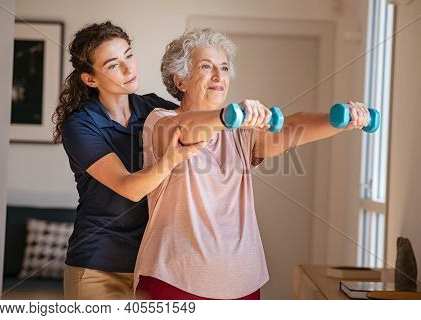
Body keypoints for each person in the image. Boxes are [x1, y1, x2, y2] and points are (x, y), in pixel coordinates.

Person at [133, 28, 371, 300]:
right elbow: (185, 130)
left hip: (242, 283)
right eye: (206, 66)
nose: (218, 76)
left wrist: (341, 120)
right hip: (174, 279)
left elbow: (292, 127)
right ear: (180, 81)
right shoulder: (160, 120)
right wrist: (230, 116)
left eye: (223, 68)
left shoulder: (239, 131)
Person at [53, 21, 204, 300]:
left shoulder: (154, 108)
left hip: (150, 265)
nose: (128, 68)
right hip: (98, 267)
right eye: (112, 65)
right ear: (90, 79)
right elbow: (129, 187)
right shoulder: (81, 126)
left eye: (129, 56)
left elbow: (198, 124)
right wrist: (171, 159)